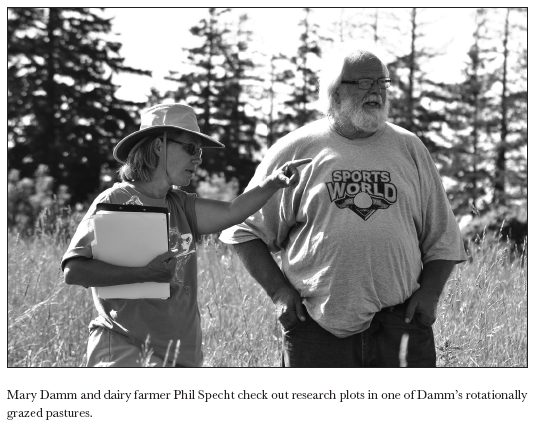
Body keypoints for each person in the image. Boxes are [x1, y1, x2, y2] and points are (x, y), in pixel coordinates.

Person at [219, 49, 467, 367]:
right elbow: (244, 229)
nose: (377, 90)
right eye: (364, 82)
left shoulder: (409, 148)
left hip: (400, 325)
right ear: (336, 92)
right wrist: (279, 293)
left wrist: (430, 294)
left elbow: (444, 239)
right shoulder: (296, 149)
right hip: (315, 329)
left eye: (382, 82)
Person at [62, 103, 310, 367]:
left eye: (200, 151)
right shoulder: (117, 200)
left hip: (181, 359)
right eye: (191, 148)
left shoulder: (180, 204)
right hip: (127, 354)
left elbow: (233, 210)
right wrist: (144, 274)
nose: (198, 158)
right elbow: (74, 271)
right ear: (159, 145)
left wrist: (273, 182)